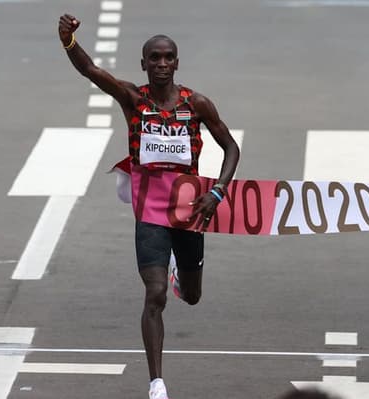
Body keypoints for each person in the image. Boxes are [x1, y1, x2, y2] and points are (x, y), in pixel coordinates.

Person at [58, 14, 240, 399]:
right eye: (153, 58)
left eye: (167, 58)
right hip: (150, 212)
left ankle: (180, 274)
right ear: (143, 64)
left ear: (177, 63)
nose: (160, 64)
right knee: (154, 295)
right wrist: (68, 41)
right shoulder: (133, 99)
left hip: (190, 211)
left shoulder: (197, 104)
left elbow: (231, 147)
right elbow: (91, 70)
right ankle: (156, 383)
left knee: (191, 296)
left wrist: (219, 191)